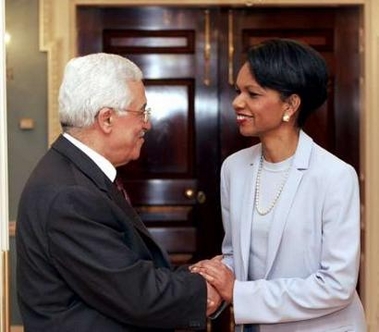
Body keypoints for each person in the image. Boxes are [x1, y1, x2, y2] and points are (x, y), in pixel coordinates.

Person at [16, 52, 221, 331]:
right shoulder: (71, 194)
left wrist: (195, 275)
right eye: (142, 112)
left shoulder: (75, 174)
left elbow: (122, 274)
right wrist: (208, 288)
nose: (147, 124)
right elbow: (136, 295)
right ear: (107, 119)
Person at [190, 39, 366, 331]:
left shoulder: (335, 175)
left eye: (253, 93)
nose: (237, 102)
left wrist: (238, 292)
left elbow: (337, 285)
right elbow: (237, 255)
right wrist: (213, 274)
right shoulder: (234, 168)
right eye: (238, 91)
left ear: (291, 105)